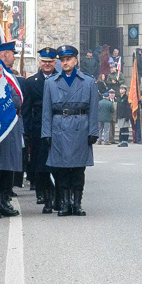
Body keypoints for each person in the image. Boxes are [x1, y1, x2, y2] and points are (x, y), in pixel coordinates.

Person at [41, 44, 99, 217]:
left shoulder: (88, 81)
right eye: (62, 60)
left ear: (75, 60)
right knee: (62, 169)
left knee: (78, 170)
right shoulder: (51, 83)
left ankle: (77, 203)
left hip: (81, 126)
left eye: (68, 59)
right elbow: (46, 111)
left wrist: (93, 131)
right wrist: (46, 133)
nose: (65, 63)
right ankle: (65, 203)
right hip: (59, 126)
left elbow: (94, 109)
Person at [0, 41, 23, 218]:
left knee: (9, 164)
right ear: (3, 55)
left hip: (12, 125)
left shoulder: (9, 74)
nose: (14, 57)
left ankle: (3, 200)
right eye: (12, 54)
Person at [23, 47, 59, 212]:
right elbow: (27, 109)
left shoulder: (61, 79)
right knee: (41, 165)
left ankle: (59, 196)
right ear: (40, 62)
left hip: (59, 127)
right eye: (44, 61)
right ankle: (45, 196)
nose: (47, 64)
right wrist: (27, 131)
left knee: (59, 165)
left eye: (50, 62)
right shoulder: (31, 82)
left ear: (55, 63)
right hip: (38, 128)